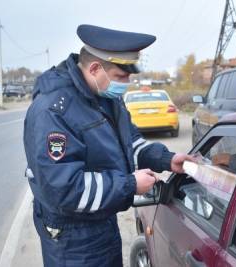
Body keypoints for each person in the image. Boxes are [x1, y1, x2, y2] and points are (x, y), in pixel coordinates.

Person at [23, 24, 193, 266]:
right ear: (95, 69)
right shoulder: (53, 111)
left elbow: (130, 144)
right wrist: (130, 184)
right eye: (121, 77)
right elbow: (64, 189)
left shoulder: (106, 98)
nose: (126, 83)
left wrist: (166, 159)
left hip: (103, 220)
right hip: (72, 239)